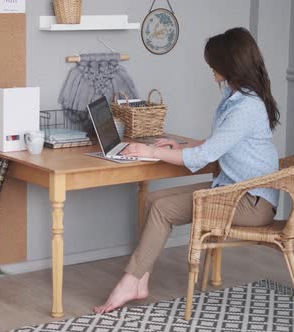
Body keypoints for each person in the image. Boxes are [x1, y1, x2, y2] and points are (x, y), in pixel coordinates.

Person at [94, 27, 281, 314]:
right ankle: (140, 277)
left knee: (162, 209)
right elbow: (219, 145)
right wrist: (178, 145)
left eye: (213, 64)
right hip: (234, 191)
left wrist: (150, 151)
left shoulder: (247, 107)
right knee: (154, 201)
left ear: (230, 65)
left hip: (251, 202)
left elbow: (207, 154)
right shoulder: (237, 97)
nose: (210, 70)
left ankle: (131, 282)